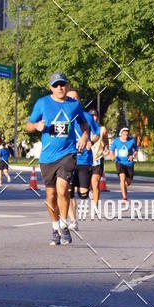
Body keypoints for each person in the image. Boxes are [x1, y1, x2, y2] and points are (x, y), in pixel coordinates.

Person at [26, 72, 90, 246]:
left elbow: (85, 125)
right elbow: (28, 125)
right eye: (56, 85)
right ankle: (55, 227)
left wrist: (84, 137)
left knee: (63, 190)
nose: (60, 87)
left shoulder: (74, 105)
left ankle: (64, 225)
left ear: (67, 86)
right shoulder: (42, 103)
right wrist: (36, 126)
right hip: (47, 157)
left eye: (62, 84)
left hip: (67, 153)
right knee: (51, 194)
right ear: (51, 88)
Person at [66, 89, 99, 231]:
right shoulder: (62, 116)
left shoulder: (86, 116)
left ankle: (87, 192)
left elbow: (97, 134)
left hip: (84, 159)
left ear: (79, 101)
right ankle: (73, 220)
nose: (73, 101)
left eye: (75, 99)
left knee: (83, 193)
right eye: (70, 98)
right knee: (68, 191)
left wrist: (90, 140)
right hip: (68, 158)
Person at [110, 127, 138, 200]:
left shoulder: (132, 141)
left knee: (128, 182)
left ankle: (125, 186)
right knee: (122, 178)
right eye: (124, 134)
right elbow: (112, 150)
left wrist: (133, 156)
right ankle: (124, 197)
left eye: (127, 134)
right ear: (121, 134)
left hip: (129, 163)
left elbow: (136, 150)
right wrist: (112, 155)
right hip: (119, 162)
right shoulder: (116, 141)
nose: (126, 136)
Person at [89, 107, 109, 206]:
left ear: (97, 118)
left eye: (95, 116)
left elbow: (106, 140)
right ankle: (90, 190)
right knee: (88, 184)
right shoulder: (83, 130)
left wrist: (106, 148)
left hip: (97, 159)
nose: (93, 118)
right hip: (86, 160)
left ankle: (95, 205)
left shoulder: (102, 129)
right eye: (91, 116)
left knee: (96, 183)